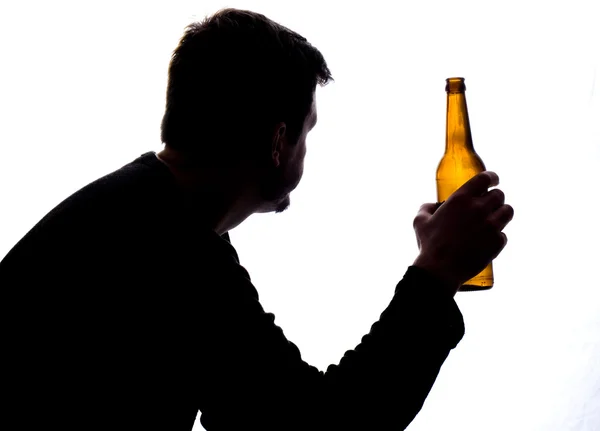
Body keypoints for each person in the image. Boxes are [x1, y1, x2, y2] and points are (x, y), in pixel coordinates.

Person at [0, 7, 514, 431]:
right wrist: (435, 275)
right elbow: (323, 430)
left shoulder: (145, 216)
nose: (306, 151)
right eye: (306, 133)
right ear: (276, 142)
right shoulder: (172, 246)